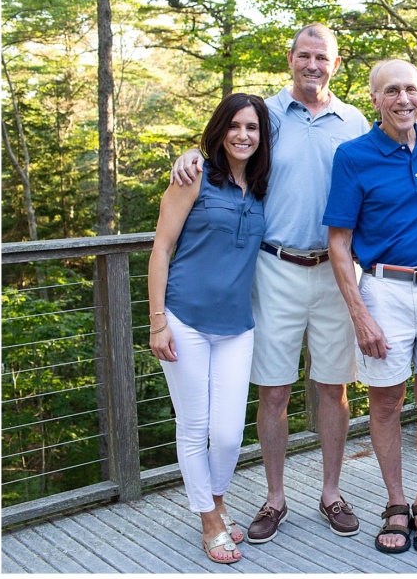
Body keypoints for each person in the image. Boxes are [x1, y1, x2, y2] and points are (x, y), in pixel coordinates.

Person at [170, 23, 370, 544]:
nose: (312, 65)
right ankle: (275, 498)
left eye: (321, 57)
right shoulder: (266, 116)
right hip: (274, 267)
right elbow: (225, 150)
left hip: (336, 270)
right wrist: (189, 155)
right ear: (290, 58)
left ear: (336, 63)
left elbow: (381, 179)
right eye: (304, 55)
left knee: (334, 386)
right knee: (274, 391)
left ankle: (331, 492)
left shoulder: (354, 121)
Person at [324, 58, 417, 555]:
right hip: (383, 291)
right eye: (392, 91)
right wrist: (360, 311)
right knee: (385, 399)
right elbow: (338, 244)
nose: (404, 99)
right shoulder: (353, 156)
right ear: (375, 99)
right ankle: (396, 501)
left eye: (412, 89)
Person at [149, 93, 272, 564]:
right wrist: (158, 321)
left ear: (262, 137)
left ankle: (217, 502)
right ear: (220, 129)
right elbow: (161, 248)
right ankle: (208, 518)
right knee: (194, 425)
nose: (243, 135)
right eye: (235, 126)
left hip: (238, 325)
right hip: (185, 319)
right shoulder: (194, 174)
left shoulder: (261, 186)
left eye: (253, 128)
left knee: (227, 435)